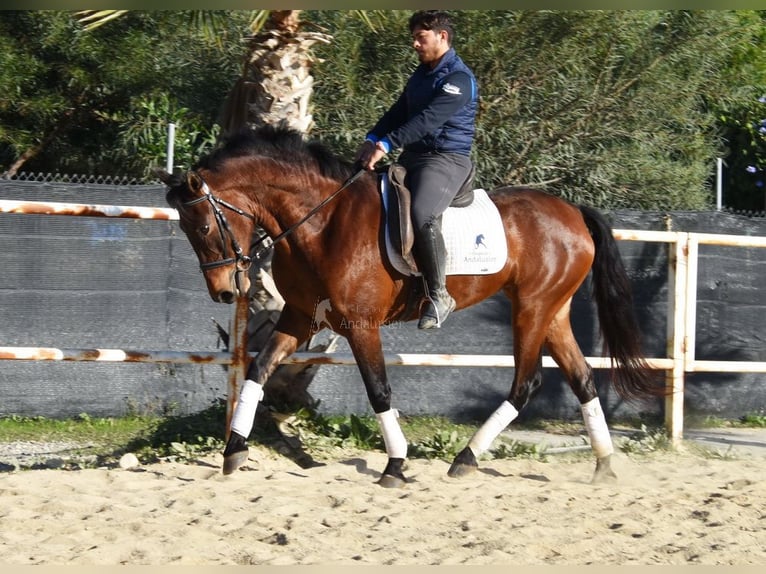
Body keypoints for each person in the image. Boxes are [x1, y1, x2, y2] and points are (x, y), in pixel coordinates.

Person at [355, 10, 478, 329]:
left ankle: (439, 295)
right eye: (413, 38)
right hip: (414, 156)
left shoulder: (458, 80)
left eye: (420, 38)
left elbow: (428, 121)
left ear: (442, 37)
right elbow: (400, 111)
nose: (414, 44)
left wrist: (387, 144)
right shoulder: (421, 75)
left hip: (446, 159)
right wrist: (372, 138)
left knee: (423, 214)